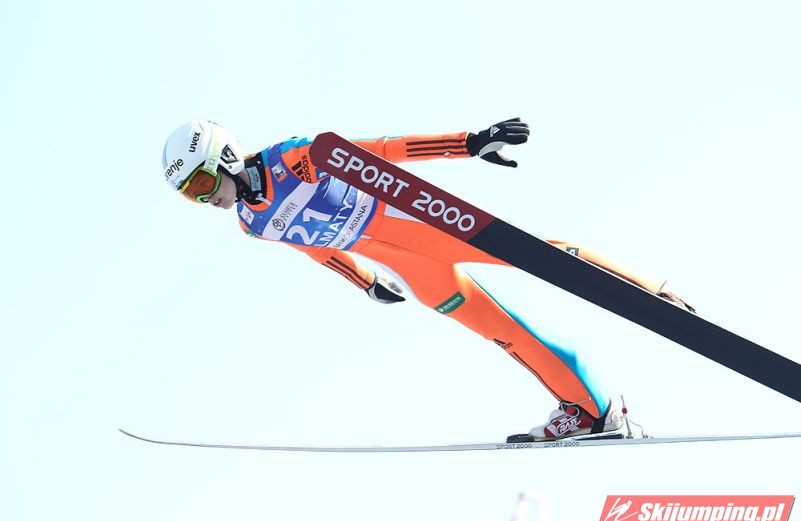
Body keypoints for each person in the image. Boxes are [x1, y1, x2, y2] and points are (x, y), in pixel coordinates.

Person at [161, 118, 693, 441]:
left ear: (224, 156)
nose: (206, 199)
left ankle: (651, 292)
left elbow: (383, 150)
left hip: (422, 225)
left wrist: (470, 142)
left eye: (203, 183)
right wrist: (365, 281)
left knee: (537, 257)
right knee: (502, 332)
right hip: (410, 268)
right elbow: (313, 248)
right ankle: (591, 411)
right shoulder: (252, 223)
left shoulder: (295, 157)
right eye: (191, 195)